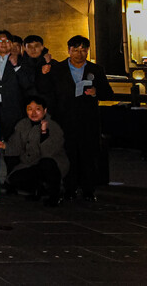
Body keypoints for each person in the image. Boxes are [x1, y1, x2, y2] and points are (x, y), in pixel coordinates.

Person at [46, 35, 112, 201]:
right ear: (69, 50)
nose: (79, 54)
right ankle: (69, 188)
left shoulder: (96, 69)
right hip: (64, 120)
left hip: (88, 121)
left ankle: (88, 190)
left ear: (88, 51)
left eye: (83, 50)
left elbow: (108, 93)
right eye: (75, 50)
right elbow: (50, 94)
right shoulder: (58, 69)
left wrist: (96, 92)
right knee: (68, 155)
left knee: (88, 155)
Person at [0, 96, 68, 207]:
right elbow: (16, 146)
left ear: (45, 110)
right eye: (30, 109)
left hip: (52, 163)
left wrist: (44, 133)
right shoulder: (22, 124)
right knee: (14, 178)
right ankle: (39, 189)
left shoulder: (53, 126)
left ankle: (55, 194)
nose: (33, 113)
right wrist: (4, 146)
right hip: (30, 163)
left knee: (46, 163)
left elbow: (48, 152)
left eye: (37, 109)